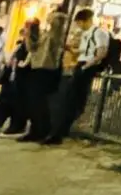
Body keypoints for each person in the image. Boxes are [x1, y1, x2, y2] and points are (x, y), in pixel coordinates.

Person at [37, 8, 102, 144]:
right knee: (59, 104)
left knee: (65, 104)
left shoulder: (87, 35)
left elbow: (87, 53)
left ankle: (58, 132)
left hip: (72, 71)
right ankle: (55, 131)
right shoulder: (67, 35)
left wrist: (70, 50)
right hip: (65, 70)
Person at [0, 20, 41, 135]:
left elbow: (30, 56)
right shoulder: (22, 44)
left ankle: (14, 126)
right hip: (13, 77)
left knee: (16, 104)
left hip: (21, 79)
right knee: (4, 102)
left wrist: (21, 64)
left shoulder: (32, 43)